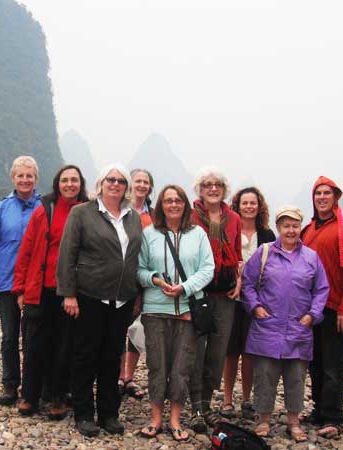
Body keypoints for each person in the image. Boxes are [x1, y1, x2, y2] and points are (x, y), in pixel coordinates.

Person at [56, 164, 144, 437]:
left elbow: (136, 258)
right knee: (85, 356)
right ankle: (84, 414)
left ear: (126, 187)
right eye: (110, 179)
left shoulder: (133, 217)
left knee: (111, 356)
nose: (115, 184)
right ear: (101, 183)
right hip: (89, 296)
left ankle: (109, 413)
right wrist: (68, 293)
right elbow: (67, 254)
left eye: (121, 181)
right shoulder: (82, 213)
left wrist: (137, 293)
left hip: (122, 300)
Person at [241, 206, 329, 441]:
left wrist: (312, 315)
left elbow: (321, 289)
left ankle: (293, 422)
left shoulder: (311, 257)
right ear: (278, 228)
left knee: (296, 378)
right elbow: (247, 283)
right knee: (264, 376)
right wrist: (255, 307)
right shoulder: (264, 253)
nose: (291, 230)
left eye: (295, 226)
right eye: (286, 226)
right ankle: (264, 420)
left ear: (300, 228)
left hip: (299, 328)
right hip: (267, 327)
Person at [136, 185, 214, 442]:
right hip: (155, 310)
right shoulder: (149, 234)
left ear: (185, 204)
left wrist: (185, 287)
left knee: (182, 368)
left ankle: (175, 419)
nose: (173, 205)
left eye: (178, 200)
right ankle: (156, 418)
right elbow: (139, 270)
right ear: (161, 205)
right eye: (168, 201)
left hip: (188, 310)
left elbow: (208, 269)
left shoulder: (198, 234)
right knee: (157, 366)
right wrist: (155, 279)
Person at [12, 165, 89, 419]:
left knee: (64, 346)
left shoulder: (88, 211)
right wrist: (20, 289)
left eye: (74, 180)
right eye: (65, 180)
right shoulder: (44, 209)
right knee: (34, 344)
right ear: (57, 184)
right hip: (41, 288)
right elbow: (26, 249)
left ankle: (58, 396)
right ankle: (29, 396)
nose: (69, 184)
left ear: (81, 184)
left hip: (71, 291)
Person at [299, 176, 343, 438]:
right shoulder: (308, 229)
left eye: (327, 193)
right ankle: (319, 410)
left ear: (335, 197)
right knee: (314, 363)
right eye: (318, 193)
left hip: (334, 308)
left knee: (333, 366)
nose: (322, 198)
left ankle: (334, 417)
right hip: (310, 309)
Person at [0, 155, 40, 406]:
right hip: (5, 282)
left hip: (35, 284)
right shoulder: (0, 209)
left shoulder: (43, 207)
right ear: (13, 178)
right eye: (20, 175)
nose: (25, 180)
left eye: (29, 176)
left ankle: (35, 385)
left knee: (34, 337)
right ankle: (10, 384)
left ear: (36, 179)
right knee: (10, 336)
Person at [188, 167, 242, 433]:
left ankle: (207, 403)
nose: (213, 188)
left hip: (225, 294)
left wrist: (239, 282)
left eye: (218, 184)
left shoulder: (233, 219)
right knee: (196, 351)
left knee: (218, 352)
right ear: (200, 189)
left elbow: (237, 255)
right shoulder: (189, 217)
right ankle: (195, 406)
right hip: (199, 293)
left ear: (224, 189)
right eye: (207, 184)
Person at [222, 187, 276, 419]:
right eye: (245, 203)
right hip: (231, 297)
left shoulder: (267, 234)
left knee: (249, 351)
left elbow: (273, 266)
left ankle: (246, 398)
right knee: (230, 351)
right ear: (237, 205)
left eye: (253, 203)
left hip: (256, 299)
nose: (249, 207)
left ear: (259, 206)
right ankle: (227, 399)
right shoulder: (228, 230)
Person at [117, 168, 155, 400]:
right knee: (118, 326)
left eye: (145, 182)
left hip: (145, 277)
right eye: (137, 181)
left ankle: (129, 376)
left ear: (150, 187)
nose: (141, 185)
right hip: (121, 277)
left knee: (137, 326)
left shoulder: (154, 216)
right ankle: (119, 375)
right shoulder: (119, 209)